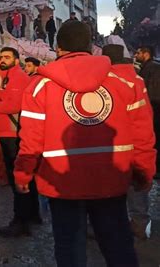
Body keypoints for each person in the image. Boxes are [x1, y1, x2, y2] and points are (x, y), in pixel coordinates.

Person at [14, 22, 156, 266]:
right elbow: (142, 134)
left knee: (70, 250)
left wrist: (23, 173)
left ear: (58, 48)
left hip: (61, 184)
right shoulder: (125, 83)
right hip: (111, 179)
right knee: (119, 247)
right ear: (91, 46)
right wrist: (144, 171)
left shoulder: (40, 86)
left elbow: (31, 139)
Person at [103, 44, 156, 240]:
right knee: (137, 185)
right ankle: (139, 224)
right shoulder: (136, 80)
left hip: (109, 149)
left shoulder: (99, 80)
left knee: (111, 193)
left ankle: (109, 226)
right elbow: (143, 122)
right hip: (134, 145)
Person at [0, 47, 37, 237]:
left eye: (7, 57)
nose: (2, 59)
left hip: (11, 132)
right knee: (21, 176)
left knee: (17, 177)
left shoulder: (17, 77)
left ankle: (21, 221)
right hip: (8, 130)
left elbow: (13, 104)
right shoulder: (8, 77)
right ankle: (30, 215)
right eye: (1, 57)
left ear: (17, 60)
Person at [134, 46, 160, 177]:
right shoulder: (147, 68)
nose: (135, 55)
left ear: (146, 54)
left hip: (155, 110)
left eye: (138, 53)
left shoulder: (153, 68)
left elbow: (153, 92)